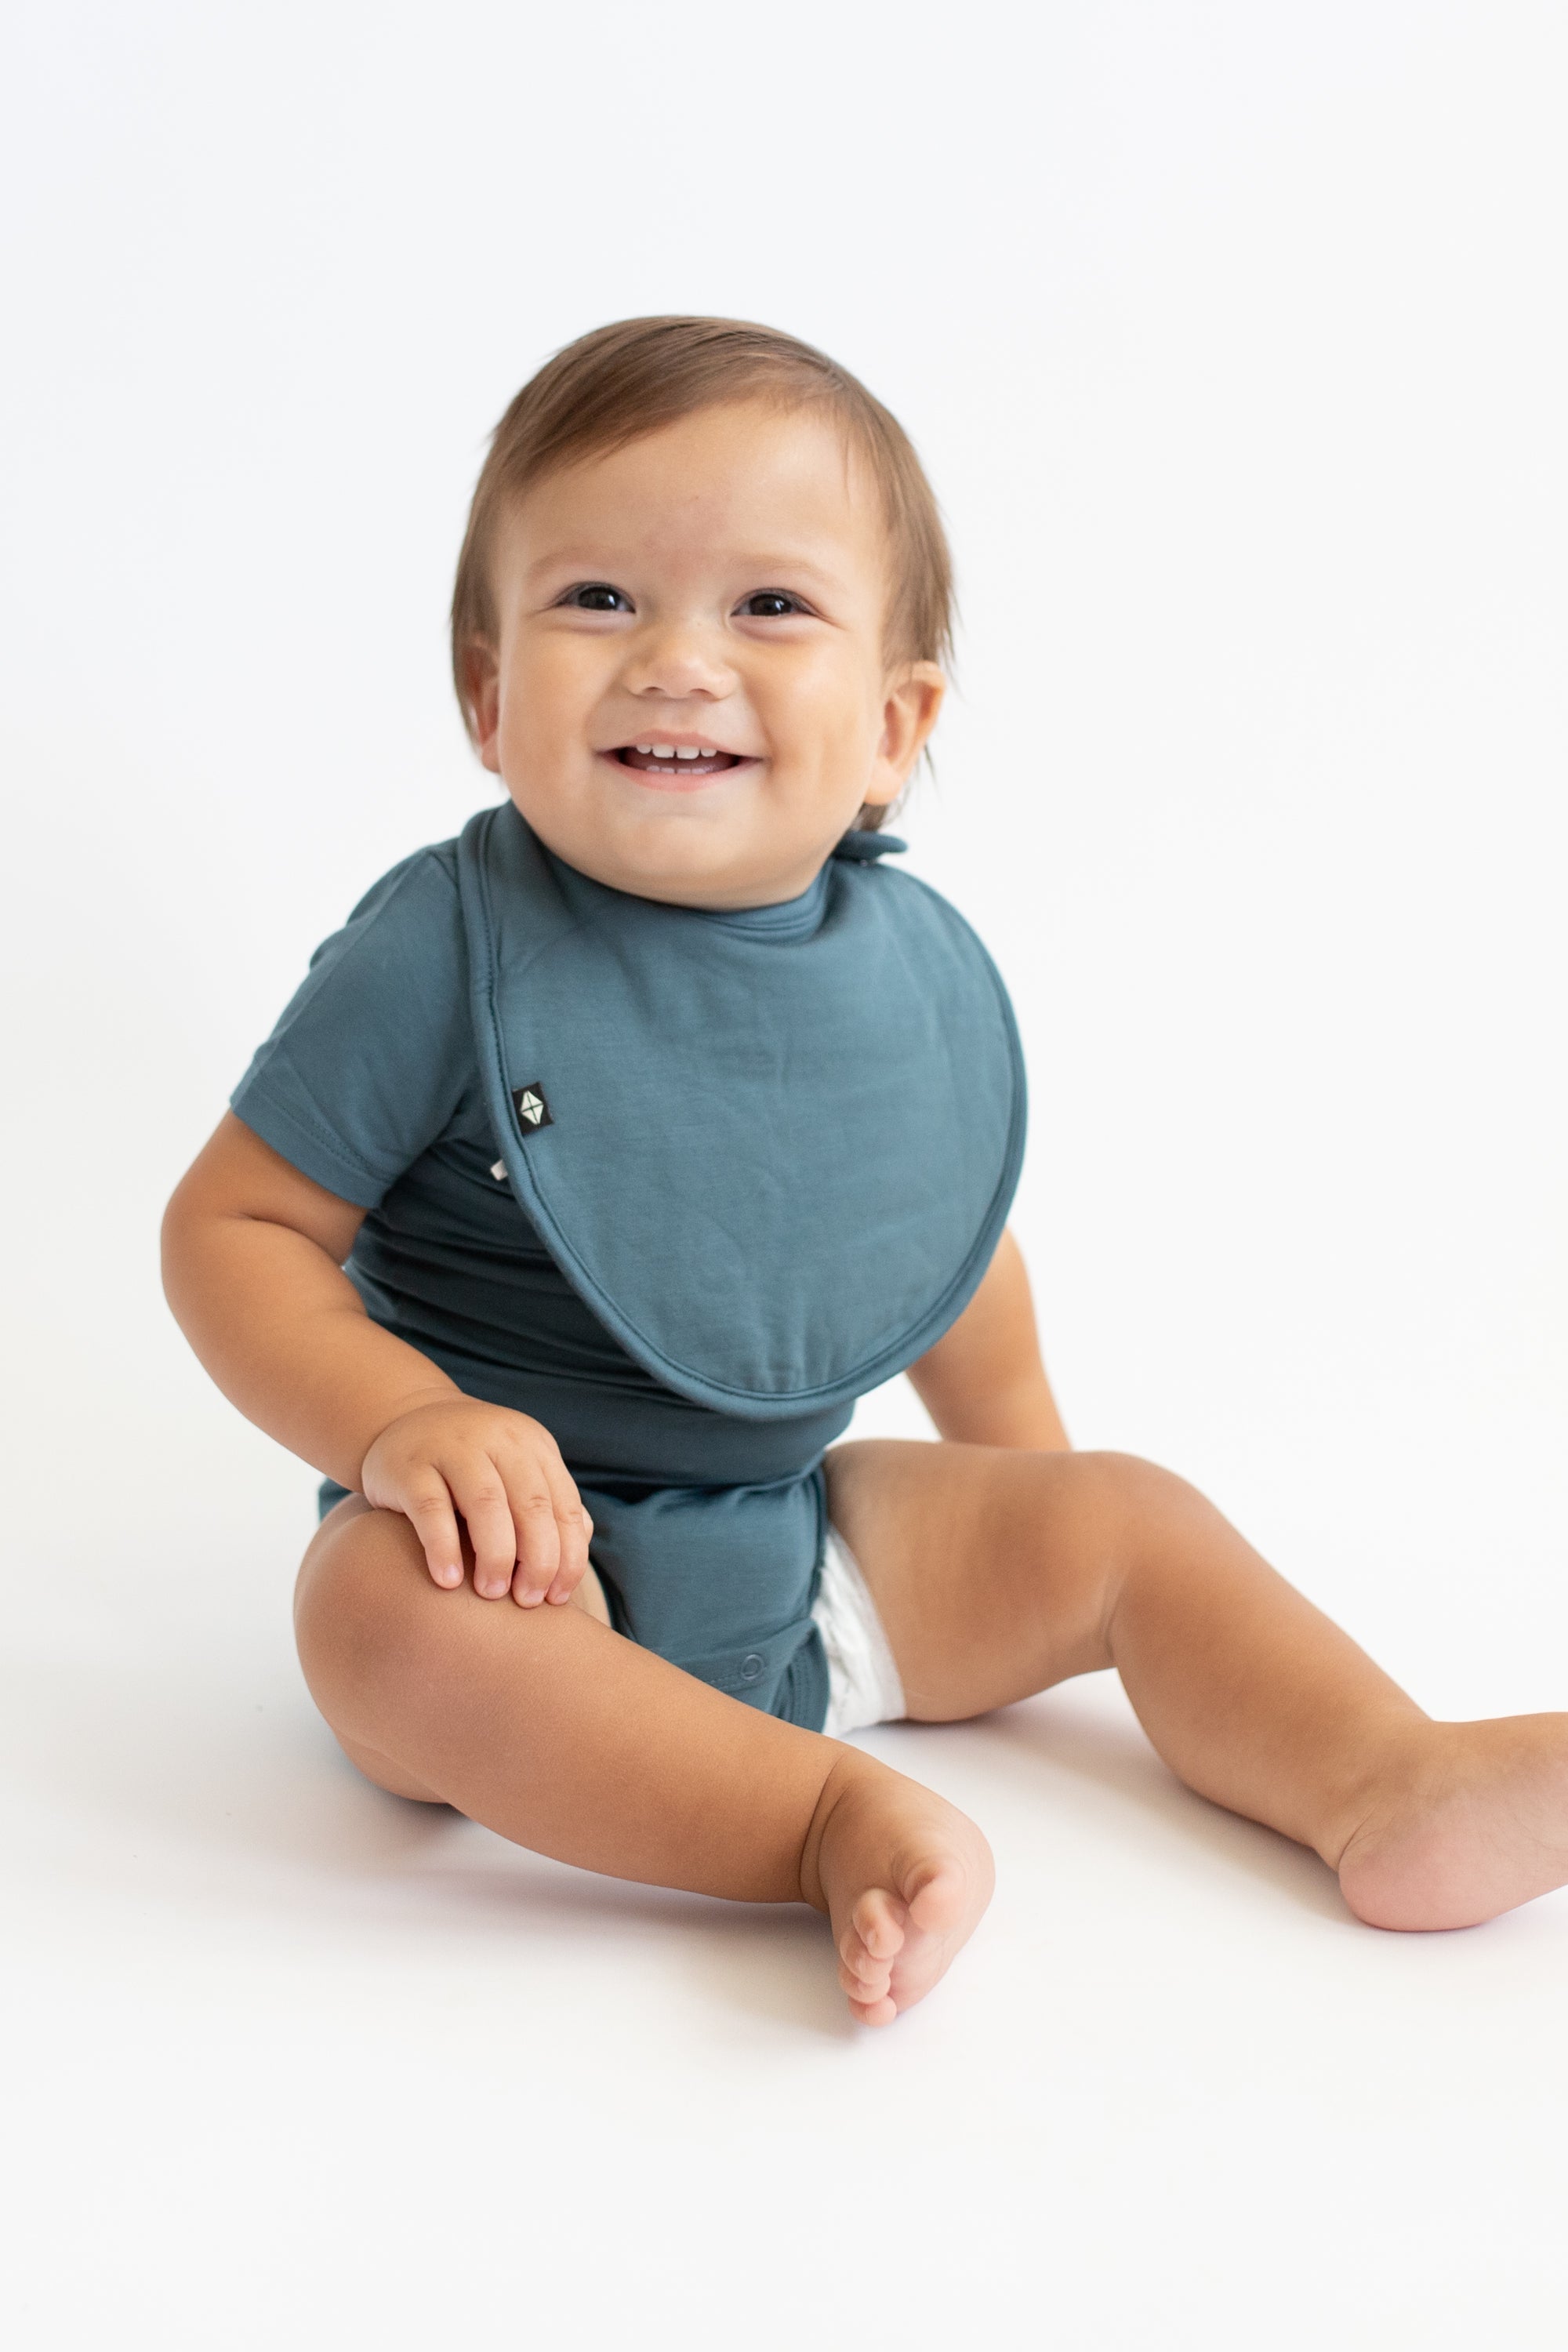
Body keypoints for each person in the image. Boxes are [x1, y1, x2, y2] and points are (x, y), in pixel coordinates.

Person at [162, 317, 1568, 2027]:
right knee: (370, 1625)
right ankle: (814, 1818)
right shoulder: (443, 947)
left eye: (768, 605)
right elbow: (232, 1228)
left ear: (894, 727)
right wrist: (398, 1428)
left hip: (805, 1545)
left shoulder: (899, 973)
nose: (677, 659)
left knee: (1130, 1515)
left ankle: (1384, 1780)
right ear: (486, 692)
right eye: (597, 599)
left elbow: (935, 1236)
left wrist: (1028, 1491)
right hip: (521, 1588)